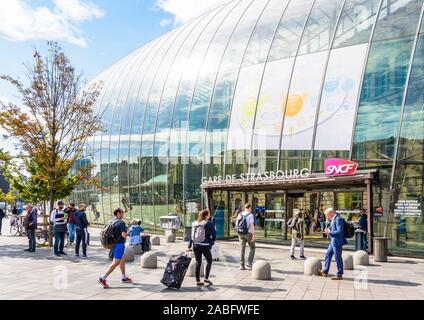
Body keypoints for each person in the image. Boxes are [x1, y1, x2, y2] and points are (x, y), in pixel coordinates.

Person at [98, 208, 132, 288]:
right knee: (116, 262)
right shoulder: (121, 223)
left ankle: (124, 277)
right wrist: (130, 233)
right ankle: (102, 278)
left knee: (122, 260)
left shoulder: (111, 221)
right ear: (118, 213)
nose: (123, 214)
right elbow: (124, 235)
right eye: (122, 213)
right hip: (119, 245)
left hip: (113, 244)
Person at [188, 209, 216, 286]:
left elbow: (192, 235)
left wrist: (189, 246)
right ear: (206, 216)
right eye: (209, 214)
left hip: (195, 245)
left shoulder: (195, 223)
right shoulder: (209, 223)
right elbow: (214, 234)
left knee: (198, 262)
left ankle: (197, 280)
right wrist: (211, 242)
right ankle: (206, 278)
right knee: (209, 261)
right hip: (204, 245)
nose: (210, 215)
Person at [321, 208, 347, 280]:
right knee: (328, 254)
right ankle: (325, 271)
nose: (327, 217)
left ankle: (339, 274)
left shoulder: (338, 219)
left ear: (331, 213)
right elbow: (334, 229)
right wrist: (328, 230)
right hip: (333, 242)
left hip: (337, 242)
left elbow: (340, 231)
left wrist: (330, 232)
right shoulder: (334, 219)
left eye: (327, 215)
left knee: (337, 258)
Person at [236, 203, 255, 270]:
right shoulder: (250, 215)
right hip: (248, 233)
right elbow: (252, 226)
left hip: (241, 233)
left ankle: (242, 265)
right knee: (252, 247)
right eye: (251, 208)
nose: (251, 209)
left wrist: (238, 232)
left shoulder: (240, 214)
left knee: (242, 249)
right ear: (249, 208)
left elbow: (236, 223)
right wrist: (253, 235)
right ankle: (249, 263)